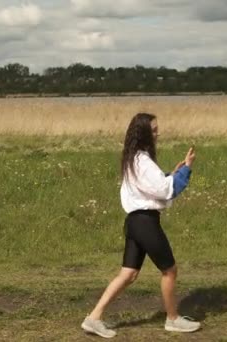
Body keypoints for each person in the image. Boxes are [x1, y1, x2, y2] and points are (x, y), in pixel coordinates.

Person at [81, 112, 200, 338]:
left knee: (128, 274)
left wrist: (173, 174)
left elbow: (153, 186)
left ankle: (94, 318)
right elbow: (166, 190)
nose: (158, 134)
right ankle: (173, 319)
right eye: (154, 130)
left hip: (135, 222)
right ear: (144, 134)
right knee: (170, 270)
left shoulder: (132, 159)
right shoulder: (142, 161)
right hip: (144, 222)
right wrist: (186, 169)